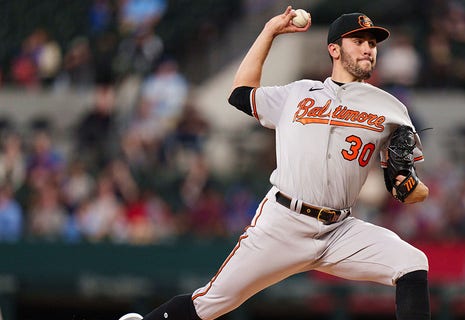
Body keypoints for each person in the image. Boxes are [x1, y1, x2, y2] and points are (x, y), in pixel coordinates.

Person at [120, 6, 431, 320]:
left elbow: (404, 183)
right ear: (333, 49)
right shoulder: (298, 93)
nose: (368, 48)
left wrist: (409, 186)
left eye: (372, 43)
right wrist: (269, 31)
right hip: (284, 223)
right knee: (210, 303)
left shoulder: (391, 108)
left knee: (412, 263)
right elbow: (240, 93)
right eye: (359, 40)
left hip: (340, 229)